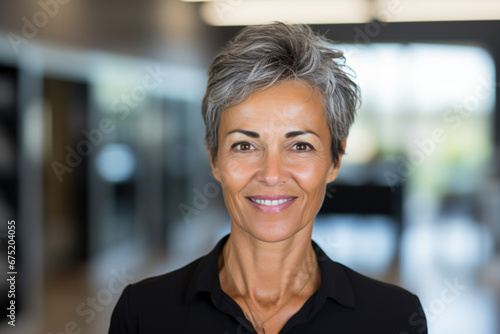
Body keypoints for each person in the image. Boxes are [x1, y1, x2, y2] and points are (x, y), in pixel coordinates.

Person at [108, 22, 428, 334]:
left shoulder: (393, 319)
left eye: (300, 145)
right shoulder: (144, 314)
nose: (271, 174)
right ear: (214, 157)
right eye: (244, 145)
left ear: (335, 159)